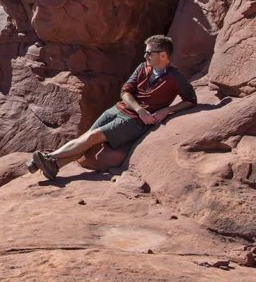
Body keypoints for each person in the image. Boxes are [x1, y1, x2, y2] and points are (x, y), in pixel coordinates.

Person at [27, 34, 197, 181]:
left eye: (148, 52)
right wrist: (139, 108)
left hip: (135, 121)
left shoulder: (175, 77)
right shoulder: (142, 67)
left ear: (163, 55)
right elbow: (125, 91)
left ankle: (48, 157)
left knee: (92, 137)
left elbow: (191, 99)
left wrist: (167, 110)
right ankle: (54, 166)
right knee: (86, 140)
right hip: (120, 109)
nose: (145, 55)